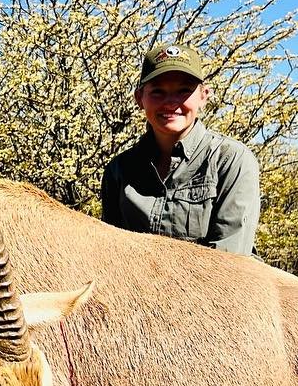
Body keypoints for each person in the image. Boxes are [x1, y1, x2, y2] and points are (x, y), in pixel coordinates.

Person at [100, 43, 260, 255]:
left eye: (184, 91)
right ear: (139, 98)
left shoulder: (231, 161)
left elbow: (230, 259)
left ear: (203, 96)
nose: (171, 103)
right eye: (158, 91)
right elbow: (110, 252)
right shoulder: (119, 169)